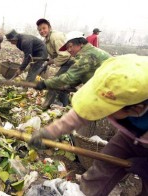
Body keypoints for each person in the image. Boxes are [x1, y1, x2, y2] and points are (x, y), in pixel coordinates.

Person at [29, 54, 148, 196]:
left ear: (137, 108)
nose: (102, 111)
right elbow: (81, 114)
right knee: (102, 168)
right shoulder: (119, 81)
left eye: (107, 108)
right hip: (128, 137)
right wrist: (50, 132)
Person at [33, 31, 111, 109]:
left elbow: (69, 77)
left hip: (111, 89)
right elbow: (80, 74)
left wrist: (44, 84)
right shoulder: (89, 52)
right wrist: (69, 86)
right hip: (105, 87)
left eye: (70, 46)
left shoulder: (87, 56)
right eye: (67, 48)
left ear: (81, 43)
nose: (69, 50)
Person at [36, 18, 73, 107]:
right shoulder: (47, 40)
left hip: (71, 61)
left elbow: (64, 55)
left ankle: (45, 105)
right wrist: (47, 63)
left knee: (54, 83)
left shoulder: (55, 37)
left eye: (44, 28)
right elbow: (53, 55)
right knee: (63, 85)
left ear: (49, 27)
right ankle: (65, 106)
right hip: (66, 63)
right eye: (40, 30)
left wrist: (52, 61)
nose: (42, 31)